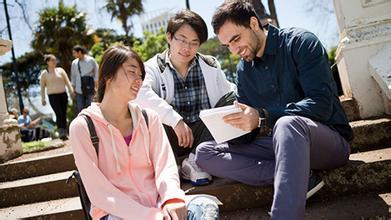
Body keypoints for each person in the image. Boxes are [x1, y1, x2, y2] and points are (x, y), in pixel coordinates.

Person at [195, 1, 353, 219]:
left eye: (236, 39)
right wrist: (234, 126)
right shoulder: (243, 70)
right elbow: (251, 130)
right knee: (205, 152)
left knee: (287, 124)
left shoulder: (301, 43)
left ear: (253, 23)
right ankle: (299, 176)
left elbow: (322, 105)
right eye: (227, 46)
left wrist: (262, 117)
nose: (234, 51)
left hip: (328, 142)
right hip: (280, 146)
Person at [69, 45, 219, 220]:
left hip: (158, 205)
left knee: (205, 207)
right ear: (108, 76)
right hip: (116, 214)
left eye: (141, 76)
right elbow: (99, 192)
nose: (138, 80)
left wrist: (172, 199)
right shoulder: (83, 127)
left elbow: (165, 166)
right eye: (132, 72)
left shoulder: (149, 119)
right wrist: (149, 216)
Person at [136, 9, 235, 186]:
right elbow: (140, 94)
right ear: (169, 37)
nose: (186, 48)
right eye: (181, 40)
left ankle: (194, 160)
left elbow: (228, 95)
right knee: (149, 115)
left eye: (194, 42)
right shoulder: (152, 67)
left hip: (205, 136)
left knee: (231, 98)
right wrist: (175, 120)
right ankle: (174, 164)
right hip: (172, 135)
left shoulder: (210, 65)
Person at [40, 54, 73, 140]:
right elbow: (42, 87)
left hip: (63, 95)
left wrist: (71, 91)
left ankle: (65, 132)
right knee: (59, 113)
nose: (54, 62)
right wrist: (43, 99)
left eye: (55, 60)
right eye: (52, 60)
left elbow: (67, 82)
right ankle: (61, 132)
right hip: (53, 96)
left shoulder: (60, 70)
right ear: (48, 62)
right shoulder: (44, 73)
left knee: (64, 114)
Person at [71, 45, 99, 114]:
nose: (73, 55)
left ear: (79, 52)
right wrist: (73, 89)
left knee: (90, 107)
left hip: (90, 88)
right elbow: (73, 76)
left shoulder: (91, 60)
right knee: (80, 109)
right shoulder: (74, 63)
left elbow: (96, 73)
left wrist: (96, 87)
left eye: (74, 53)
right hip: (79, 90)